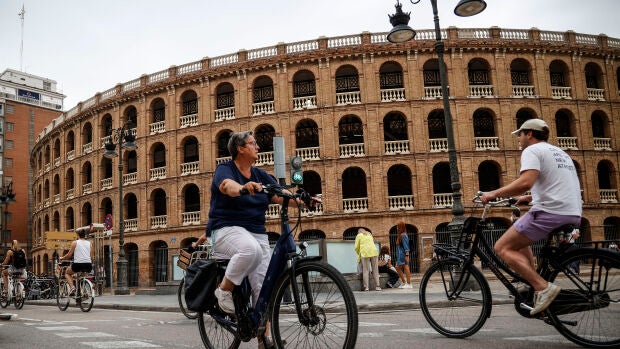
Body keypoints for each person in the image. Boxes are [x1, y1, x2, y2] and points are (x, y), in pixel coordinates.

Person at [205, 131, 316, 321]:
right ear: (240, 149)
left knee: (265, 287)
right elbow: (226, 186)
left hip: (257, 233)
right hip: (224, 230)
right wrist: (242, 188)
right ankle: (224, 290)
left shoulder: (260, 175)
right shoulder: (225, 169)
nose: (258, 147)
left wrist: (304, 201)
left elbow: (280, 194)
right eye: (253, 143)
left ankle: (264, 340)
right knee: (251, 249)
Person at [480, 118, 582, 315]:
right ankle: (531, 280)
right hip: (572, 211)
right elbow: (554, 183)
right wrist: (529, 197)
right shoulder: (560, 152)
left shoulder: (532, 150)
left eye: (520, 134)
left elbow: (526, 181)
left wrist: (493, 194)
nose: (518, 138)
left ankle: (543, 287)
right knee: (519, 232)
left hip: (550, 211)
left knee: (501, 247)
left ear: (529, 134)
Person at [59, 229, 94, 295]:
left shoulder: (75, 243)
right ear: (84, 235)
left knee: (67, 273)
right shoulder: (90, 243)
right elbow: (91, 256)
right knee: (81, 278)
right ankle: (84, 292)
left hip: (78, 264)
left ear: (77, 235)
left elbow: (69, 255)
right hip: (88, 265)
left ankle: (72, 288)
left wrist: (62, 258)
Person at [394, 221, 412, 289]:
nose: (397, 227)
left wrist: (407, 255)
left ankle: (409, 283)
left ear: (400, 227)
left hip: (403, 254)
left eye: (398, 226)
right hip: (400, 254)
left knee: (406, 267)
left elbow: (406, 246)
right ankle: (405, 282)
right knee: (398, 267)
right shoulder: (401, 235)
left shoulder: (403, 235)